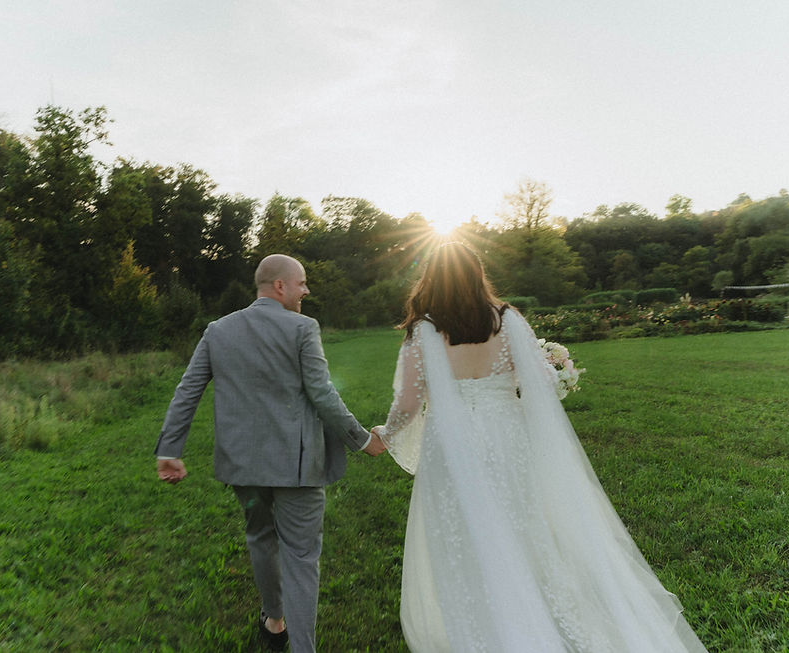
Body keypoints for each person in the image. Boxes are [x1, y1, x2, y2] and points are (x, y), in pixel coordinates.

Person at [371, 242, 707, 652]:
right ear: (477, 275)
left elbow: (409, 403)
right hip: (507, 436)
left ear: (430, 279)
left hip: (452, 447)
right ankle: (534, 614)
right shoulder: (507, 319)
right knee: (522, 527)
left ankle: (485, 628)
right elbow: (540, 382)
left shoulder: (423, 331)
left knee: (465, 535)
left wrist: (386, 434)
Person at [154, 254, 386, 653]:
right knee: (301, 556)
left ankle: (275, 622)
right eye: (302, 283)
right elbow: (322, 393)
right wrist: (363, 440)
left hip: (242, 466)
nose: (306, 290)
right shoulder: (303, 328)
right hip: (298, 467)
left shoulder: (217, 330)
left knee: (260, 538)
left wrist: (169, 450)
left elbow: (187, 389)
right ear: (280, 286)